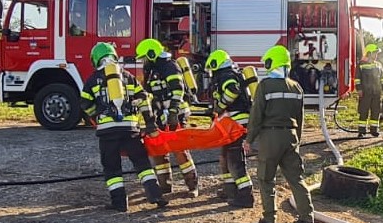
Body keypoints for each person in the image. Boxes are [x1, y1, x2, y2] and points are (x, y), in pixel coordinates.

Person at [80, 42, 168, 212]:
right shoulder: (128, 76)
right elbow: (143, 99)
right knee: (142, 163)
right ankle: (156, 195)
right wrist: (149, 123)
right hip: (130, 128)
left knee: (112, 167)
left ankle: (119, 203)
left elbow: (84, 102)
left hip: (107, 132)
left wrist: (96, 115)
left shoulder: (93, 79)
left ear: (96, 59)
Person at [245, 45, 314, 223]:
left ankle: (270, 218)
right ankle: (307, 217)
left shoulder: (265, 86)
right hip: (290, 136)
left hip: (270, 137)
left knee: (266, 178)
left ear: (272, 62)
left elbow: (256, 115)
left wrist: (249, 139)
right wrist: (297, 140)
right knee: (295, 178)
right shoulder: (296, 87)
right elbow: (300, 117)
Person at [135, 38, 199, 198]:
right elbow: (149, 93)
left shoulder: (169, 66)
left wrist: (173, 113)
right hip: (159, 114)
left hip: (175, 114)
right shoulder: (152, 69)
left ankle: (192, 186)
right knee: (158, 150)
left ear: (152, 53)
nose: (144, 60)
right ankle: (165, 186)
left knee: (179, 150)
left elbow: (178, 90)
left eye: (145, 57)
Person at [205, 49, 254, 209]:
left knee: (234, 158)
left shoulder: (226, 75)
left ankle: (246, 196)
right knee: (225, 156)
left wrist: (219, 106)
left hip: (237, 123)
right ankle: (230, 190)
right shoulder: (229, 73)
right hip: (232, 123)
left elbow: (233, 90)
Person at [355, 43, 383, 137]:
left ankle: (374, 130)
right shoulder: (361, 65)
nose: (376, 55)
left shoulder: (379, 65)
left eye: (377, 53)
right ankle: (361, 131)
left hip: (376, 93)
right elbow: (357, 79)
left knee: (376, 111)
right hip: (365, 92)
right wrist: (359, 89)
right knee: (363, 111)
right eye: (375, 53)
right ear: (369, 53)